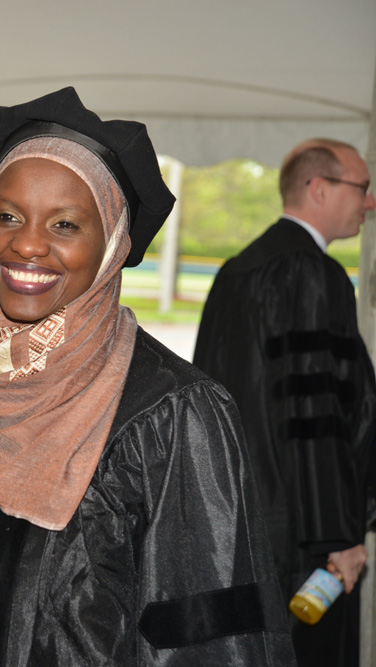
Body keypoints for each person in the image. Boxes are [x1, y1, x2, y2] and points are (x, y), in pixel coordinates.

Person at [0, 87, 296, 666]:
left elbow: (212, 638)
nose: (27, 244)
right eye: (7, 216)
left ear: (112, 247)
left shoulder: (173, 415)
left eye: (65, 224)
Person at [193, 138, 376, 666]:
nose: (369, 202)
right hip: (303, 536)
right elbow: (317, 417)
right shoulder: (314, 274)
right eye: (362, 188)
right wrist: (339, 535)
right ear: (319, 188)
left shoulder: (236, 270)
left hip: (235, 523)